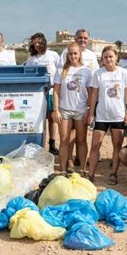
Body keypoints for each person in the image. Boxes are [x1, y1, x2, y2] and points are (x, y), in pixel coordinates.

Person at [86, 46, 127, 184]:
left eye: (111, 56)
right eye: (105, 57)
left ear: (116, 58)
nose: (108, 59)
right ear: (102, 59)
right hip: (101, 115)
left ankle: (113, 173)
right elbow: (94, 95)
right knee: (95, 145)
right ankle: (91, 174)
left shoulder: (123, 73)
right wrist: (91, 113)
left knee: (117, 146)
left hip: (118, 115)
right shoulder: (98, 74)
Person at [52, 42, 93, 175]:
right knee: (64, 141)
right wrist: (56, 110)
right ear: (67, 54)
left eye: (75, 53)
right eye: (70, 53)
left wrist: (89, 110)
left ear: (80, 54)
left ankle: (82, 169)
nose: (73, 56)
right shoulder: (60, 70)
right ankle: (63, 169)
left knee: (81, 141)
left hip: (81, 111)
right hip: (64, 110)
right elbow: (56, 92)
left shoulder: (86, 71)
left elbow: (91, 93)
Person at [24, 32, 60, 155]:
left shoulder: (53, 55)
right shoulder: (32, 59)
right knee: (40, 120)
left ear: (44, 42)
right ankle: (40, 145)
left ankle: (52, 144)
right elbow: (28, 74)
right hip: (38, 94)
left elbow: (59, 71)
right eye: (35, 44)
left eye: (39, 42)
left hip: (51, 92)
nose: (38, 45)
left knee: (52, 119)